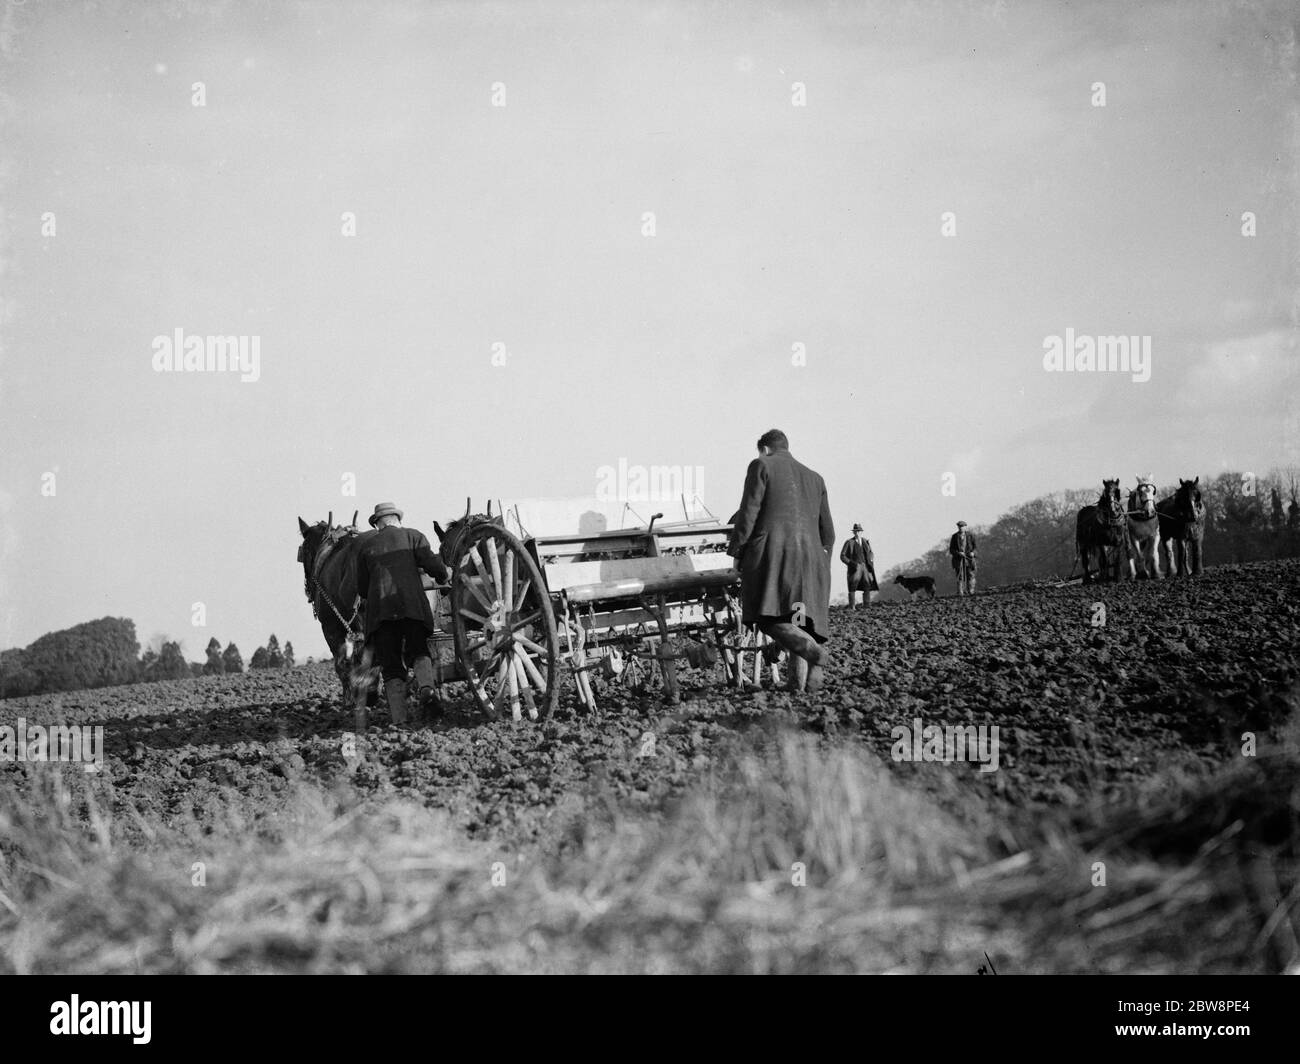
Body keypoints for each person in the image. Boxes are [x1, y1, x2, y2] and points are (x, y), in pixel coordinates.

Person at [729, 429, 835, 692]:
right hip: (812, 559)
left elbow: (749, 512)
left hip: (775, 554)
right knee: (798, 618)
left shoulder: (761, 464)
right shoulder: (815, 478)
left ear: (764, 449)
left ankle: (815, 654)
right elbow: (829, 533)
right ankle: (799, 685)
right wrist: (824, 564)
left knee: (767, 617)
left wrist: (738, 552)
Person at [355, 501, 449, 725]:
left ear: (378, 524)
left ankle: (399, 719)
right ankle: (427, 690)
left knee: (391, 664)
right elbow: (435, 567)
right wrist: (443, 577)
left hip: (381, 615)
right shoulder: (413, 536)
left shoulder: (366, 547)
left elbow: (362, 588)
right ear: (398, 520)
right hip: (412, 608)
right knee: (418, 651)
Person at [839, 523, 878, 608]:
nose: (857, 533)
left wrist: (871, 559)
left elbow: (871, 552)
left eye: (859, 531)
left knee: (867, 585)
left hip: (865, 566)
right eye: (856, 531)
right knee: (853, 585)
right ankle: (852, 605)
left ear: (861, 532)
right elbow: (842, 556)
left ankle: (867, 605)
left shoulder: (865, 541)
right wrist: (852, 564)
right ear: (853, 532)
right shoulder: (849, 542)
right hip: (855, 567)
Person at [948, 520, 977, 595]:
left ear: (965, 527)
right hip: (958, 559)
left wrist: (973, 553)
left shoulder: (970, 536)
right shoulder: (954, 537)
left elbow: (975, 547)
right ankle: (960, 592)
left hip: (969, 559)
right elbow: (951, 550)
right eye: (959, 526)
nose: (961, 528)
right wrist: (958, 553)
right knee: (960, 576)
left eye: (962, 526)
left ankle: (971, 591)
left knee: (970, 574)